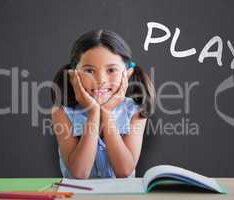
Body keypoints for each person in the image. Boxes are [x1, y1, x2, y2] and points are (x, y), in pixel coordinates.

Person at [50, 29, 155, 179]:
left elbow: (124, 170)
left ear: (128, 73)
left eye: (111, 70)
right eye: (89, 71)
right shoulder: (61, 112)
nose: (101, 80)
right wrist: (93, 112)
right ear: (73, 75)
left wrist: (106, 112)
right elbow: (80, 173)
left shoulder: (136, 111)